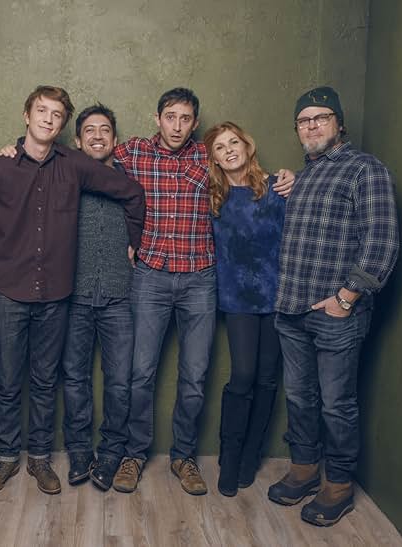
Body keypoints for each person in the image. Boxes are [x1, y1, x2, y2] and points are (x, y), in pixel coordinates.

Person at [0, 86, 145, 497]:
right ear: (27, 115)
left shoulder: (77, 164)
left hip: (55, 295)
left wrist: (132, 240)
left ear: (63, 124)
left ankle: (40, 458)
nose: (49, 118)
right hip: (9, 291)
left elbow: (131, 192)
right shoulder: (0, 166)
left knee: (45, 382)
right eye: (41, 111)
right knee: (9, 381)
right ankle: (8, 457)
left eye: (57, 114)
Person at [111, 88, 295, 496]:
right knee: (140, 374)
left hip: (200, 279)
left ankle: (184, 456)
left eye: (186, 119)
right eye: (170, 117)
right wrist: (17, 150)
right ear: (157, 118)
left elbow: (250, 181)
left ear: (195, 123)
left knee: (195, 377)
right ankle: (134, 454)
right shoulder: (135, 153)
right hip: (151, 277)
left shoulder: (206, 157)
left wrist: (290, 177)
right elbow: (92, 153)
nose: (177, 125)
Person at [268, 86, 399, 526]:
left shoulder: (365, 170)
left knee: (336, 404)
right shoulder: (302, 177)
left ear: (339, 123)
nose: (311, 126)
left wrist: (346, 298)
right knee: (300, 397)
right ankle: (304, 469)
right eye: (304, 120)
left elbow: (381, 242)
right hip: (290, 309)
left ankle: (338, 484)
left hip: (336, 314)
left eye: (321, 118)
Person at [203, 121, 286, 497]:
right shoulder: (212, 196)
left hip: (277, 297)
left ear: (247, 146)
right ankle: (230, 457)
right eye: (220, 148)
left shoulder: (277, 188)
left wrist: (295, 180)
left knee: (269, 378)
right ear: (215, 159)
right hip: (237, 299)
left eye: (233, 142)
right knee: (244, 375)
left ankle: (251, 456)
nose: (229, 150)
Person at [62, 104, 135, 491]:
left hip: (120, 297)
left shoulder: (131, 181)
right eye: (89, 130)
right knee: (74, 379)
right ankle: (78, 452)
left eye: (104, 129)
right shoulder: (64, 179)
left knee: (119, 381)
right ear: (77, 140)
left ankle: (111, 453)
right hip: (73, 297)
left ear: (114, 140)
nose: (96, 135)